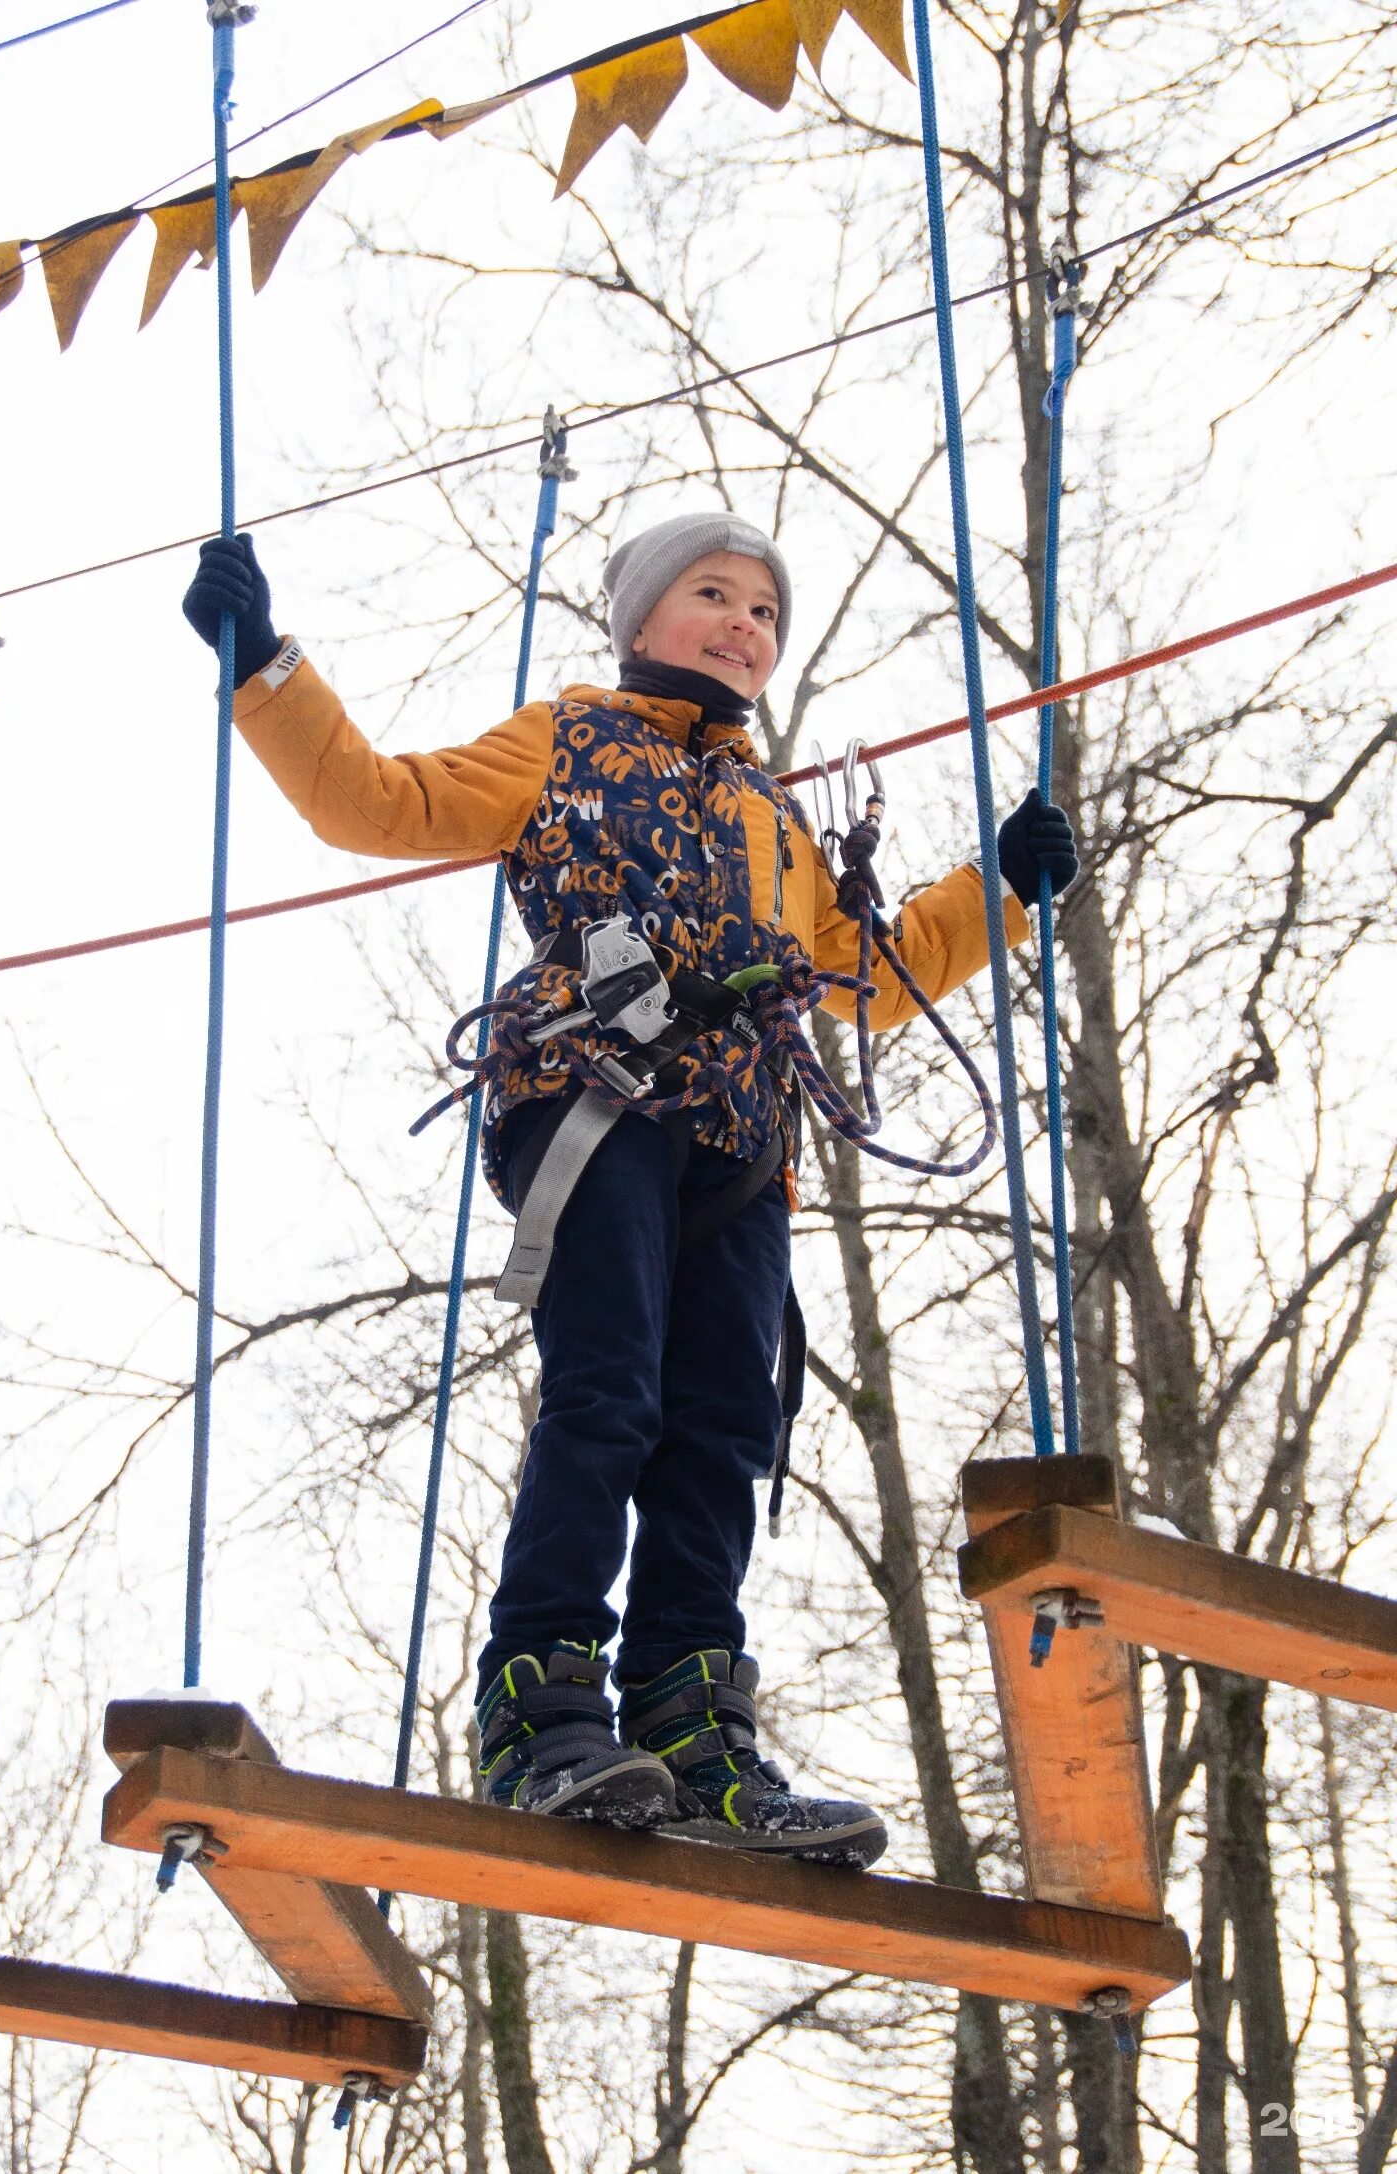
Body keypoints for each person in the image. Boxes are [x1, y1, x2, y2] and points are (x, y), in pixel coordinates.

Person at [182, 512, 1079, 1869]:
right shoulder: (570, 741)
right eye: (713, 594)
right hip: (597, 1093)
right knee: (610, 1392)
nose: (743, 626)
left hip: (744, 1135)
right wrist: (267, 665)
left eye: (766, 610)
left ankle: (693, 1722)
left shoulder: (775, 816)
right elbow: (379, 801)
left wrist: (1001, 891)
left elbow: (871, 973)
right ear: (644, 617)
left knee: (722, 1423)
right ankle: (540, 1702)